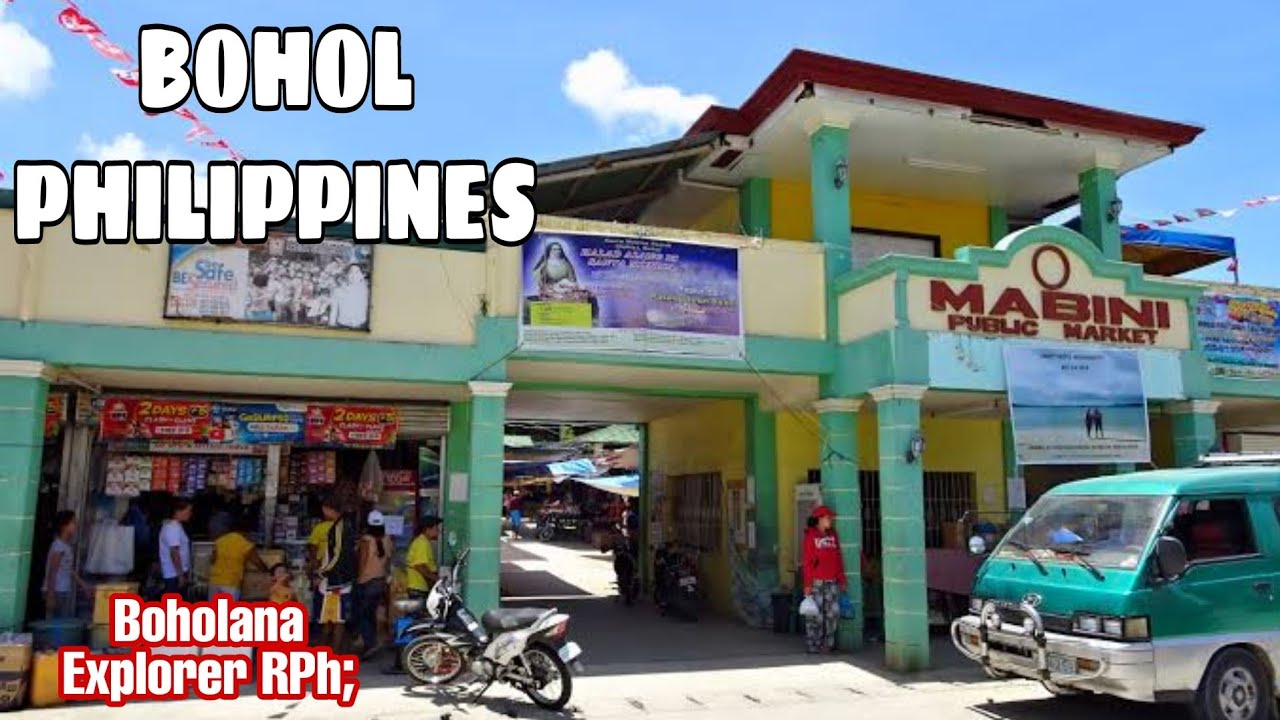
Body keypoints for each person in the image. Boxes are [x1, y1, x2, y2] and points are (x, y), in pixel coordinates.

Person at [801, 505, 847, 654]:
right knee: (815, 615)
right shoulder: (810, 536)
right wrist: (807, 584)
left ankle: (828, 644)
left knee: (833, 613)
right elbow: (807, 562)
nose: (831, 520)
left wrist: (841, 579)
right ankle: (813, 644)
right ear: (820, 519)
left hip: (832, 581)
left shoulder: (833, 535)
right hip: (816, 582)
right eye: (828, 518)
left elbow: (838, 558)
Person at [316, 495, 357, 652]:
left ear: (328, 509)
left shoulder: (340, 527)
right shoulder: (342, 525)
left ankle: (331, 652)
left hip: (336, 581)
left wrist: (324, 571)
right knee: (334, 619)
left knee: (334, 619)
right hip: (338, 580)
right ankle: (331, 651)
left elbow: (338, 553)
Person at [355, 510, 393, 659]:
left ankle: (370, 643)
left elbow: (362, 561)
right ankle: (372, 641)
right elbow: (389, 559)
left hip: (366, 581)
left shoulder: (366, 540)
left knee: (363, 615)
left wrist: (358, 578)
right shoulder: (387, 539)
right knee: (371, 613)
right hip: (380, 580)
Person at [43, 511, 91, 619]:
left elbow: (68, 569)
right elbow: (52, 571)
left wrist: (84, 585)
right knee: (58, 624)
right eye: (73, 523)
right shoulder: (58, 546)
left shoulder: (66, 546)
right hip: (57, 591)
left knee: (62, 622)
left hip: (63, 590)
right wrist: (50, 595)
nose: (76, 525)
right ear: (64, 526)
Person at [208, 514, 268, 600]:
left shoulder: (219, 540)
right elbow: (256, 561)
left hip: (214, 582)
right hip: (230, 583)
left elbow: (212, 560)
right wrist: (267, 570)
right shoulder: (243, 542)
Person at [159, 499, 193, 596]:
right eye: (188, 510)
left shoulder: (176, 526)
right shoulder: (172, 528)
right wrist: (180, 575)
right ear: (178, 511)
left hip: (175, 573)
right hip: (174, 574)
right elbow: (174, 552)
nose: (190, 514)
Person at [405, 516, 442, 599]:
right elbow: (420, 566)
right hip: (418, 588)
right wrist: (436, 579)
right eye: (436, 529)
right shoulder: (422, 543)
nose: (438, 532)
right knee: (416, 611)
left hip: (418, 588)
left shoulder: (422, 541)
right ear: (427, 530)